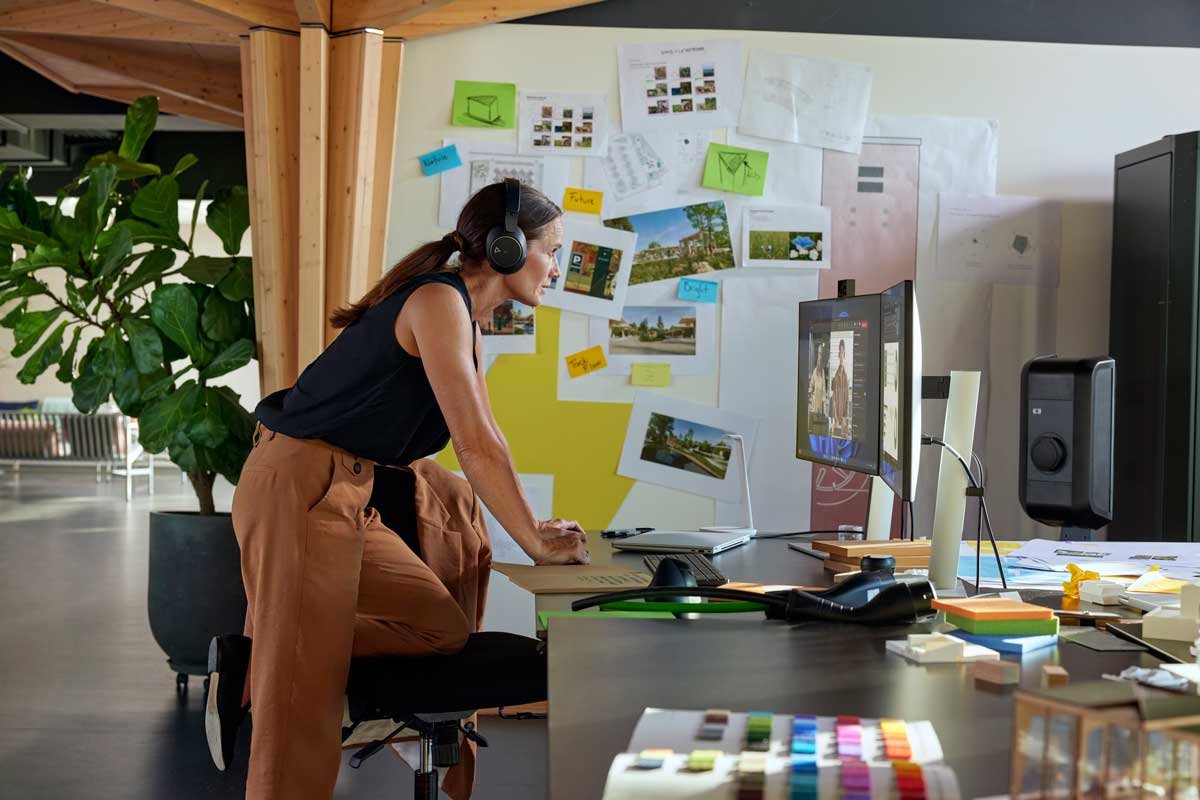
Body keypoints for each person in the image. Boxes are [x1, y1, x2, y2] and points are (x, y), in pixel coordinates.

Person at [205, 180, 589, 800]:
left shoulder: (465, 320)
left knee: (438, 625)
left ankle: (267, 655)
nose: (557, 268)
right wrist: (536, 546)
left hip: (347, 489)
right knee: (300, 709)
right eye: (553, 249)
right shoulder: (437, 302)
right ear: (509, 248)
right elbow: (475, 446)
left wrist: (537, 529)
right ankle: (281, 660)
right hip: (300, 482)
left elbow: (488, 434)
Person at [832, 338, 850, 437]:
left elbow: (847, 400)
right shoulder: (835, 377)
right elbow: (834, 400)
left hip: (842, 421)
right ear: (839, 355)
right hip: (836, 421)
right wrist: (836, 420)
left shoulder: (846, 377)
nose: (841, 355)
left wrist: (844, 422)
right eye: (840, 351)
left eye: (843, 352)